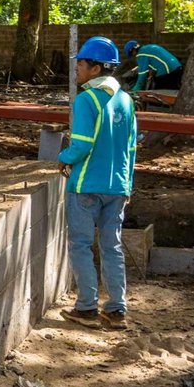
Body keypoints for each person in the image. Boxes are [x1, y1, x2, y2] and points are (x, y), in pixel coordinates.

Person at [58, 36, 137, 331]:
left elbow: (81, 145)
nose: (77, 67)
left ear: (95, 68)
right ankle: (117, 311)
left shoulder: (87, 99)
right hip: (117, 187)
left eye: (81, 62)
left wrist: (62, 156)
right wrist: (127, 184)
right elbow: (130, 147)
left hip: (86, 185)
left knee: (80, 245)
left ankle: (87, 307)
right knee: (111, 247)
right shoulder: (127, 101)